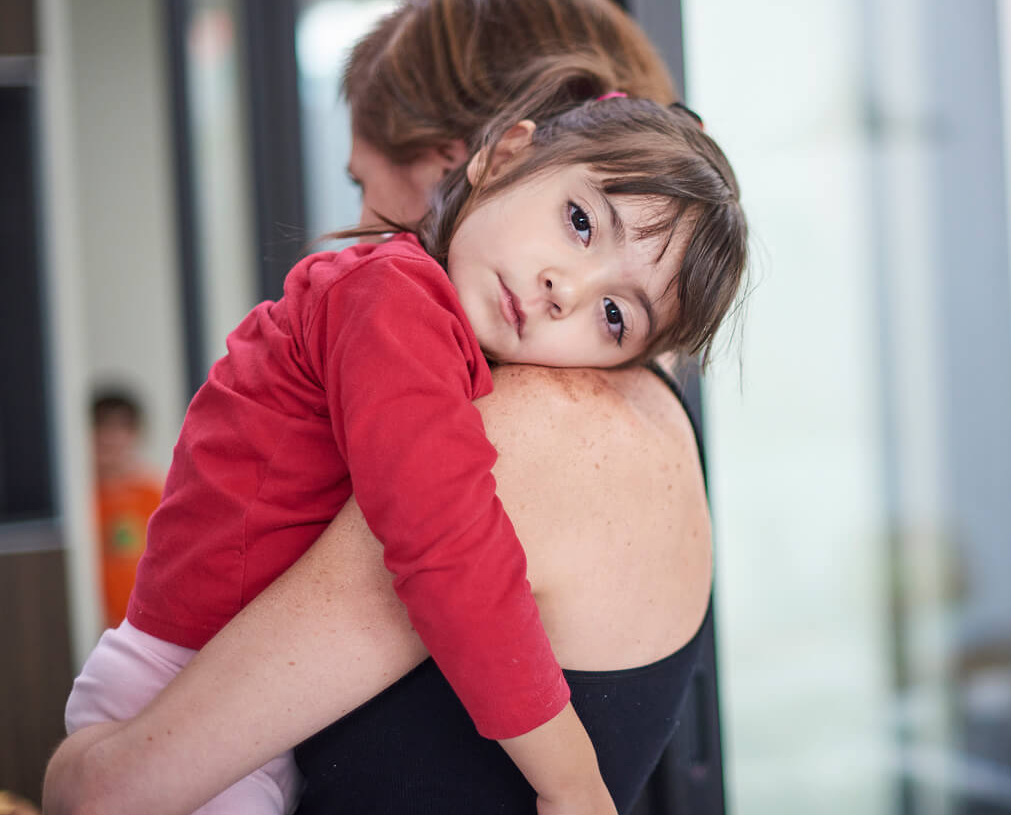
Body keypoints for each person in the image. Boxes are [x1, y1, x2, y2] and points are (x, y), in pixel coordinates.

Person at [55, 48, 747, 815]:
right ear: (502, 153)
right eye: (580, 221)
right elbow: (447, 552)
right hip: (170, 684)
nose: (566, 290)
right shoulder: (393, 303)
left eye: (613, 316)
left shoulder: (454, 348)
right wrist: (569, 778)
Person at [89, 388, 164, 628]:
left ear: (135, 434)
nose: (109, 438)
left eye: (120, 428)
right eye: (101, 427)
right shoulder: (82, 499)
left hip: (141, 629)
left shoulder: (157, 495)